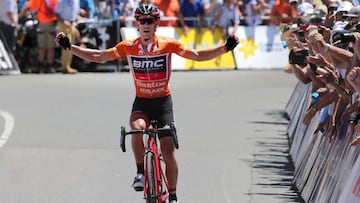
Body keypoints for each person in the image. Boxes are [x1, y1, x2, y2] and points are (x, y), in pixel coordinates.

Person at [55, 4, 238, 202]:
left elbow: (197, 56)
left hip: (163, 104)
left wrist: (225, 48)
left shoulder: (168, 44)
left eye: (150, 20)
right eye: (142, 20)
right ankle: (141, 172)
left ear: (156, 23)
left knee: (168, 153)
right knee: (137, 129)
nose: (146, 24)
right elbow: (99, 56)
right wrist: (69, 47)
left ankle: (173, 195)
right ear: (137, 24)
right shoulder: (129, 46)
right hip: (142, 103)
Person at [18, 0, 59, 73]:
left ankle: (40, 65)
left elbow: (27, 8)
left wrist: (17, 18)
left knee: (42, 46)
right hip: (52, 23)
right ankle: (49, 65)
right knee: (51, 47)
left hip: (42, 24)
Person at [55, 0, 81, 74]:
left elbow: (76, 12)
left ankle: (68, 66)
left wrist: (76, 20)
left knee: (71, 46)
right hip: (63, 24)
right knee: (66, 44)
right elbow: (57, 13)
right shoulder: (61, 1)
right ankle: (65, 67)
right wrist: (63, 21)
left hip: (72, 24)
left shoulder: (76, 1)